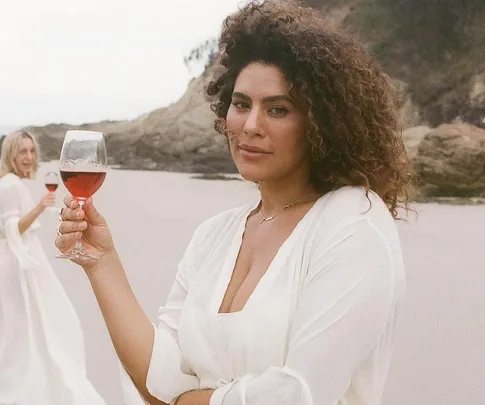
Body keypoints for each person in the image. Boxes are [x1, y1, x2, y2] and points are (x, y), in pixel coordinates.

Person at [56, 1, 414, 404]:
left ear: (322, 124)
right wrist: (102, 262)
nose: (250, 125)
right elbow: (159, 378)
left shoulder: (353, 223)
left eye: (278, 109)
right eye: (241, 104)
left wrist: (182, 401)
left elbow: (297, 395)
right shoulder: (215, 234)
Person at [0, 130, 107, 405]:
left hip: (20, 264)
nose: (28, 157)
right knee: (24, 330)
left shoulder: (12, 183)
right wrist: (40, 207)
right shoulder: (10, 185)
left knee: (26, 330)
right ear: (10, 154)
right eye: (21, 151)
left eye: (31, 151)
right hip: (15, 268)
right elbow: (10, 229)